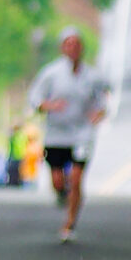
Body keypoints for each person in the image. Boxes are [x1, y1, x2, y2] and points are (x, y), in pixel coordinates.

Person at [30, 26, 113, 242]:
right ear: (62, 48)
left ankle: (69, 223)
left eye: (77, 44)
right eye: (68, 44)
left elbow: (104, 98)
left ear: (82, 48)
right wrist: (48, 106)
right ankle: (61, 193)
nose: (73, 49)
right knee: (59, 181)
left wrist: (100, 113)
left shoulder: (93, 76)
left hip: (82, 133)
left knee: (76, 179)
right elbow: (35, 99)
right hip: (56, 134)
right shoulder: (51, 74)